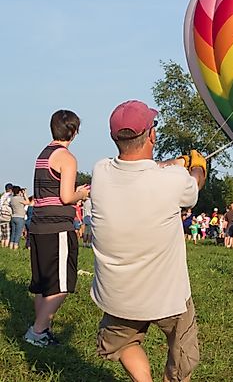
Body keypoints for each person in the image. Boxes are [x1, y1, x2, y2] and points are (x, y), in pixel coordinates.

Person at [90, 99, 206, 381]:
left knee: (123, 343)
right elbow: (194, 185)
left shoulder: (100, 172)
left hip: (117, 295)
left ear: (113, 137)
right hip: (168, 298)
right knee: (183, 357)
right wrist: (196, 166)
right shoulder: (174, 180)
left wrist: (173, 164)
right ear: (152, 135)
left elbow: (143, 169)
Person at [24, 110, 90, 347]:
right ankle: (37, 331)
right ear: (73, 131)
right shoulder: (67, 158)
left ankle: (43, 330)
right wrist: (81, 193)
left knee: (42, 285)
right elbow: (66, 196)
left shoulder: (43, 154)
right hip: (57, 227)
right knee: (61, 284)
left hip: (39, 225)